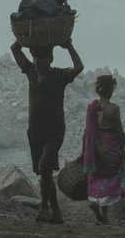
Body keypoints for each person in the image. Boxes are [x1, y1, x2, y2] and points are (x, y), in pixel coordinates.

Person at [11, 38, 84, 224]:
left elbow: (79, 67)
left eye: (42, 57)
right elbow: (14, 49)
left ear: (51, 58)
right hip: (35, 132)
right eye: (35, 56)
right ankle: (57, 213)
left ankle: (43, 208)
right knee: (45, 174)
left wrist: (68, 46)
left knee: (45, 168)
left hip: (54, 132)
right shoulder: (31, 72)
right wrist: (25, 35)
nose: (37, 60)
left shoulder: (59, 76)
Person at [83, 74, 125, 224]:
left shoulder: (92, 106)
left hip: (96, 148)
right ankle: (104, 213)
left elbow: (87, 130)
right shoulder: (113, 108)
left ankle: (97, 205)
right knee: (113, 178)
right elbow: (119, 132)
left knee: (98, 177)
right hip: (112, 149)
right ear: (110, 91)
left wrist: (84, 151)